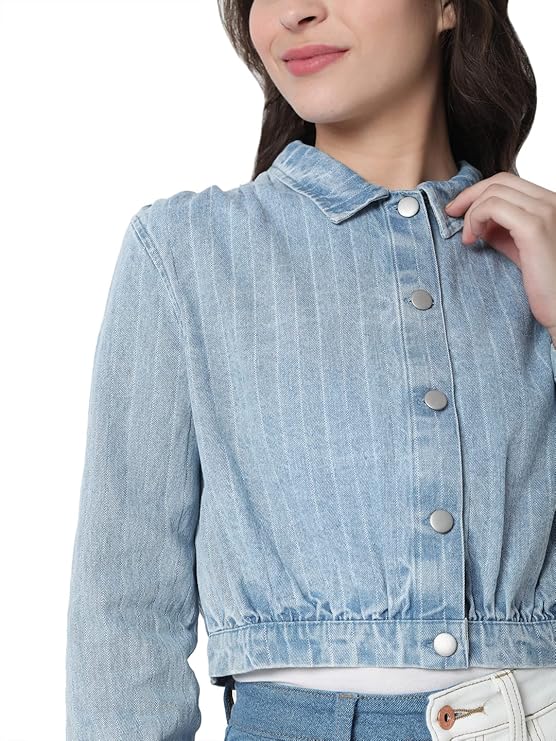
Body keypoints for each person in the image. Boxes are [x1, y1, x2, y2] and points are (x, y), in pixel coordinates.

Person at [65, 0, 556, 739]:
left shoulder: (538, 249)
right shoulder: (189, 251)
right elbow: (123, 605)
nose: (295, 11)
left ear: (449, 6)